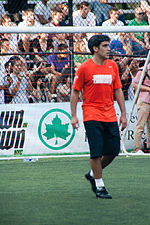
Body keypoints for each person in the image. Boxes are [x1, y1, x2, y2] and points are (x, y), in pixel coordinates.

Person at [70, 34, 127, 199]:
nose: (109, 49)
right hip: (91, 114)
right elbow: (75, 92)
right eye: (105, 46)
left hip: (109, 114)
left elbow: (118, 90)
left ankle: (92, 173)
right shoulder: (84, 68)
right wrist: (74, 115)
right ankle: (100, 186)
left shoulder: (113, 66)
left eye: (108, 45)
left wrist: (123, 114)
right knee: (96, 152)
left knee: (113, 150)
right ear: (95, 49)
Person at [132, 64, 150, 153]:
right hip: (144, 100)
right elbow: (134, 84)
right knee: (141, 125)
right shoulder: (143, 70)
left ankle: (148, 146)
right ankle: (137, 147)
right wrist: (148, 89)